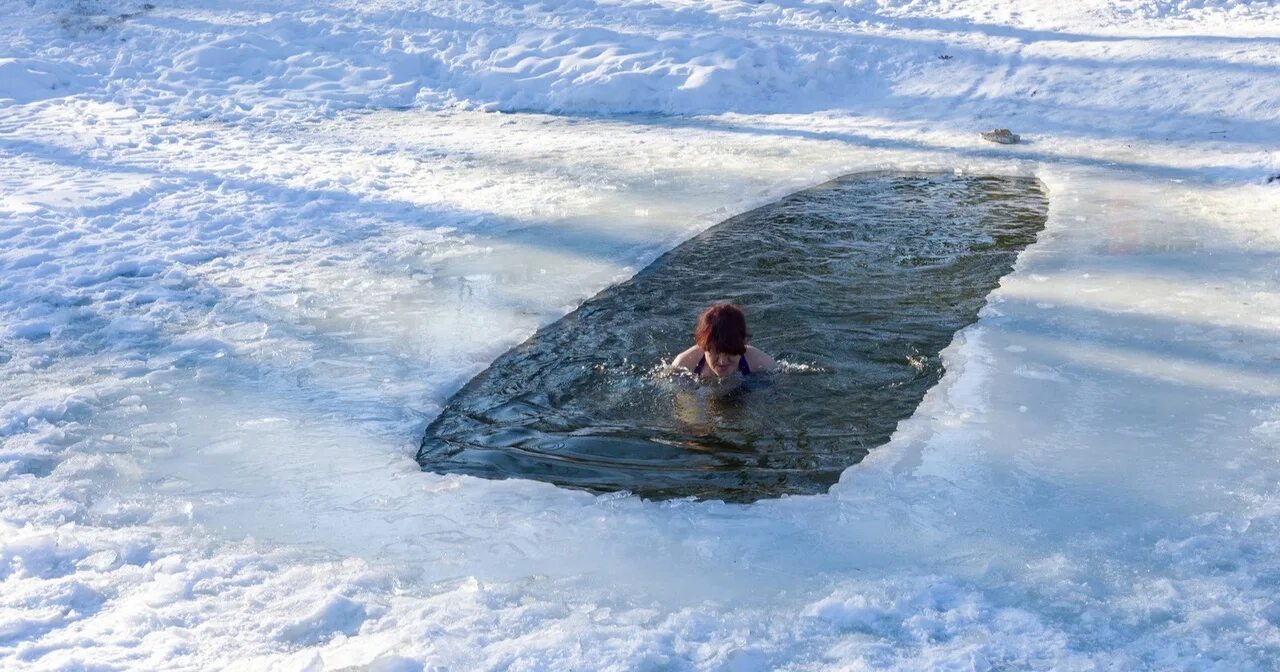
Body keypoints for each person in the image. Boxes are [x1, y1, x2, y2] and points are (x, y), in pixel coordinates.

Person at [671, 303, 776, 379]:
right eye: (715, 352)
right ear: (703, 346)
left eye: (730, 352)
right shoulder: (684, 366)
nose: (722, 361)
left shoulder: (761, 364)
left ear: (743, 345)